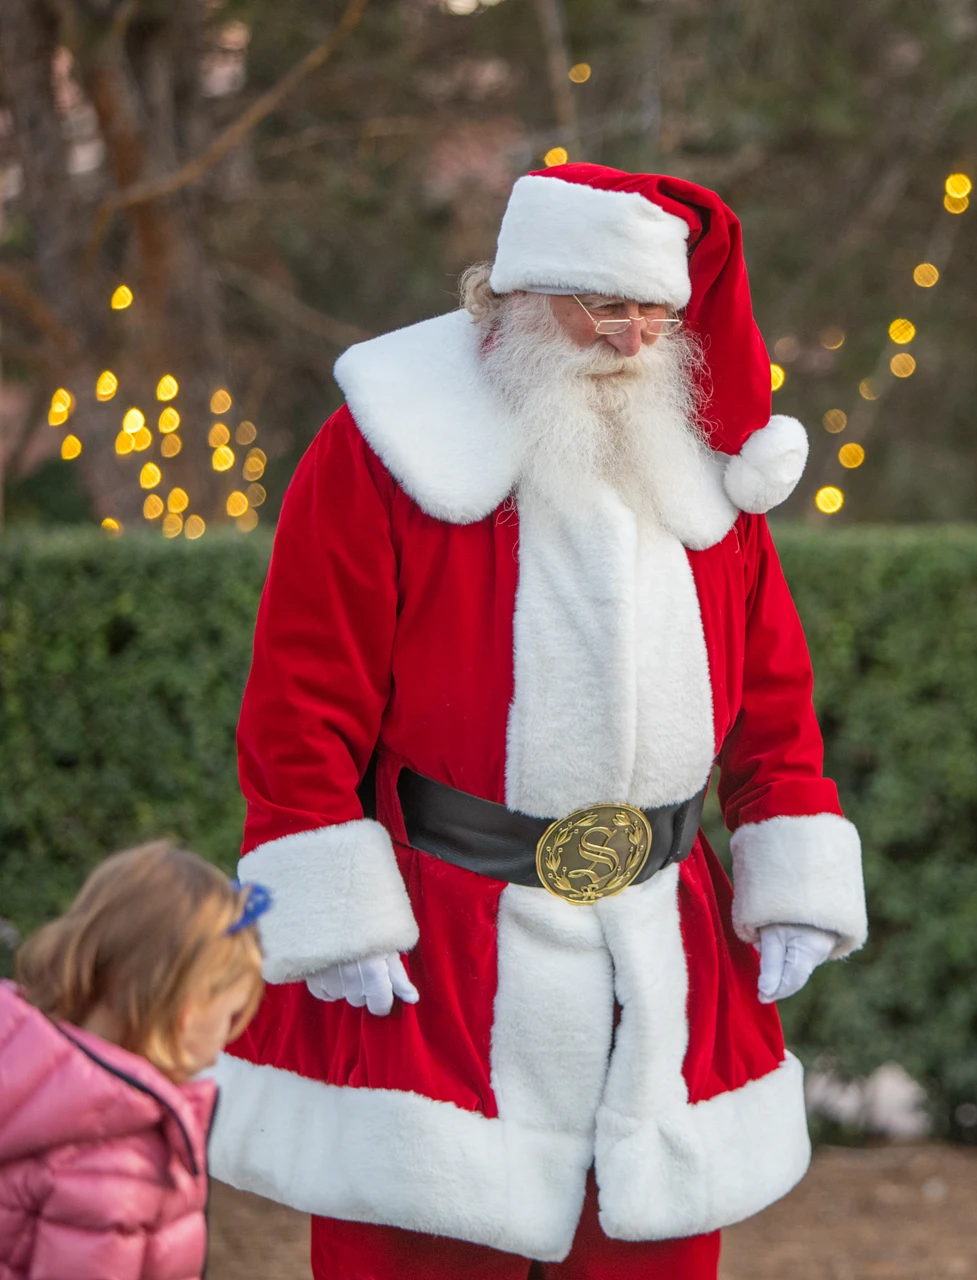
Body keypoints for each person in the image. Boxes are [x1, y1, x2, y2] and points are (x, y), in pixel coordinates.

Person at [209, 164, 867, 1280]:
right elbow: (297, 706)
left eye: (654, 312)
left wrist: (791, 862)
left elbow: (773, 703)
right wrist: (332, 914)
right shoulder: (383, 448)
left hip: (661, 952)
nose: (631, 339)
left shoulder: (707, 476)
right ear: (514, 294)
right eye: (603, 306)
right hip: (438, 951)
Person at [0, 841, 269, 1280]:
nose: (227, 1035)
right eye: (229, 1014)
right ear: (185, 1011)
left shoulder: (25, 1064)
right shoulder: (114, 1165)